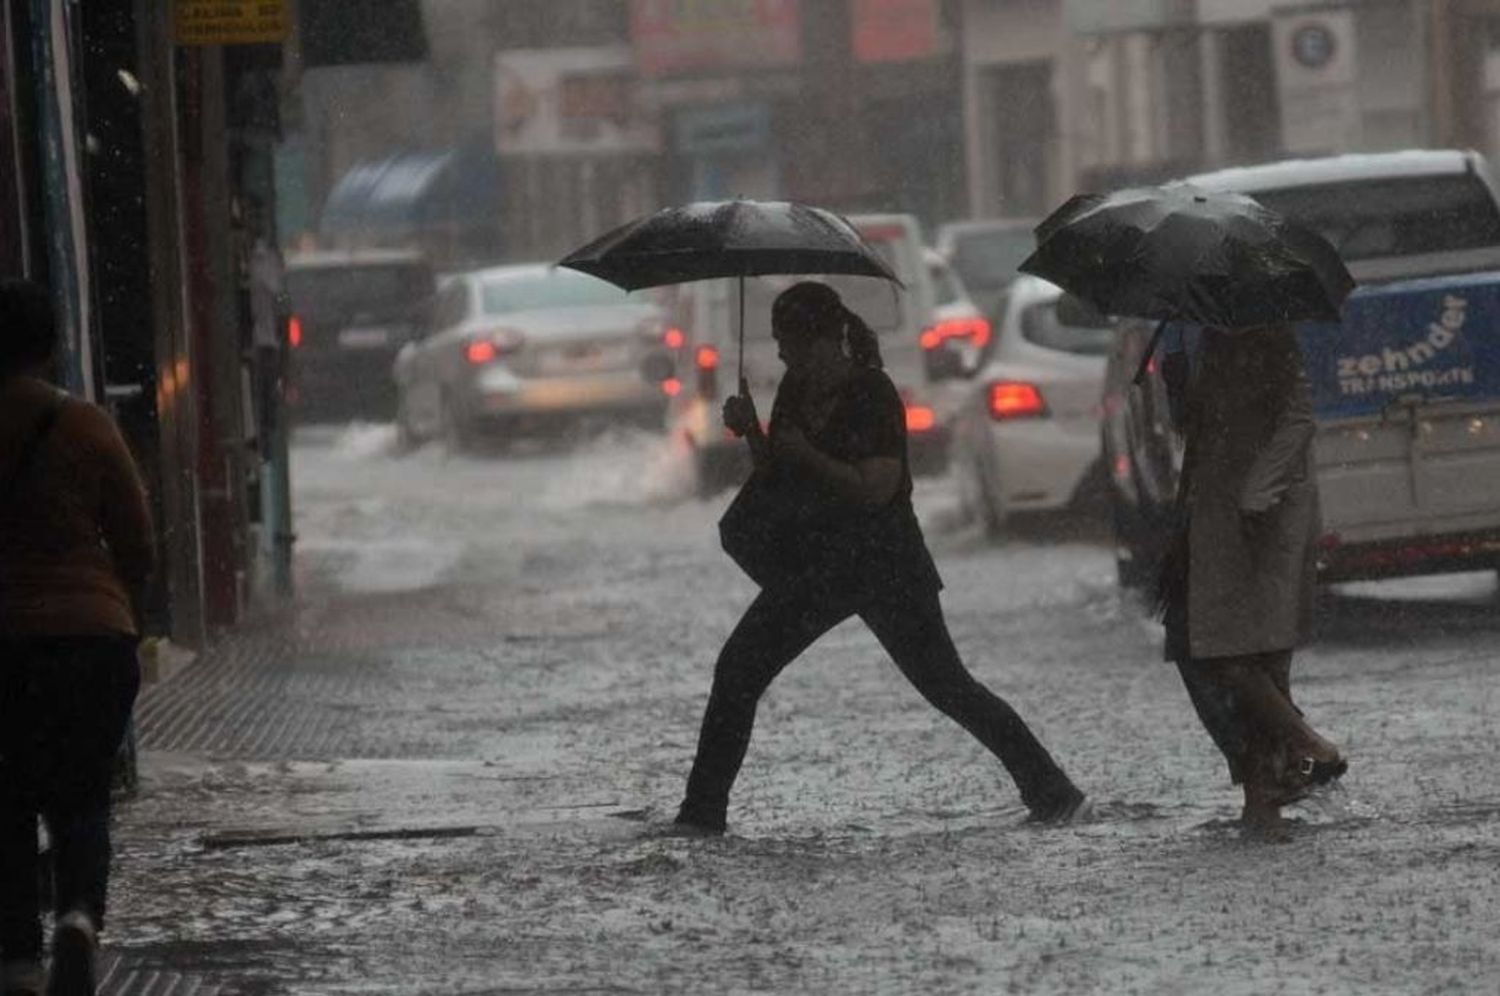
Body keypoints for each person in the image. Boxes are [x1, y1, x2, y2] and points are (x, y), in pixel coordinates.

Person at [671, 281, 1086, 835]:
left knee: (946, 685)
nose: (781, 354)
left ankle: (1053, 792)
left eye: (787, 341)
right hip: (817, 565)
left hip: (883, 563)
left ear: (820, 340)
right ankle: (701, 815)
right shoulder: (795, 387)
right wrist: (754, 434)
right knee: (739, 671)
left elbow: (876, 487)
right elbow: (782, 474)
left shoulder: (873, 393)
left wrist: (808, 455)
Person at [0, 280, 154, 995]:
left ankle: (19, 959)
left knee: (6, 799)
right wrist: (131, 612)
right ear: (53, 345)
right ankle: (78, 917)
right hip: (92, 641)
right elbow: (136, 539)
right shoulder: (87, 426)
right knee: (82, 795)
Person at [1158, 322, 1346, 833]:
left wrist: (1259, 489)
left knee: (1236, 653)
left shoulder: (1264, 328)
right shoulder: (1184, 335)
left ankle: (1299, 757)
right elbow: (1186, 427)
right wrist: (1174, 383)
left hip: (1266, 514)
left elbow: (1298, 418)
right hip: (1209, 509)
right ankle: (1270, 790)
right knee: (1217, 649)